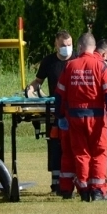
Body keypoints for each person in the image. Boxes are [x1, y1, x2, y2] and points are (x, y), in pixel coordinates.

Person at [54, 33, 107, 202]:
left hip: (75, 117)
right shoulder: (102, 66)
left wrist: (60, 116)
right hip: (97, 118)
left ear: (79, 47)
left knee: (80, 153)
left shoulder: (70, 66)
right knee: (99, 153)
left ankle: (83, 190)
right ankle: (97, 190)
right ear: (94, 48)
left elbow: (59, 95)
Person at [25, 31, 75, 193]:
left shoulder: (77, 60)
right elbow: (38, 81)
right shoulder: (48, 61)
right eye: (63, 45)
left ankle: (74, 181)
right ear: (56, 45)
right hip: (55, 110)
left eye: (69, 45)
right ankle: (56, 182)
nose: (66, 48)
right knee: (55, 145)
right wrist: (31, 89)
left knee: (74, 145)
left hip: (74, 110)